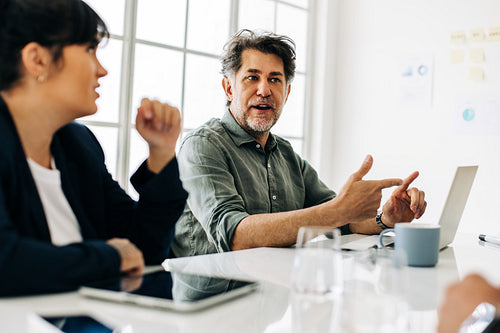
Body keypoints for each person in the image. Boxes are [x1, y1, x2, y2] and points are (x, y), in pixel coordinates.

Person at [171, 29, 426, 257]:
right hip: (212, 303)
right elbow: (234, 236)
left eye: (275, 79)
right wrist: (338, 211)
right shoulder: (202, 147)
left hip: (273, 295)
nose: (264, 90)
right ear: (229, 88)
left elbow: (342, 219)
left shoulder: (286, 154)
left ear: (287, 92)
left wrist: (387, 218)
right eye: (252, 77)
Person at [0, 0, 187, 296]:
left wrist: (161, 153)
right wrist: (110, 257)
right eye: (90, 49)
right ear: (38, 60)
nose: (102, 70)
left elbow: (141, 250)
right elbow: (8, 263)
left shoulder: (78, 144)